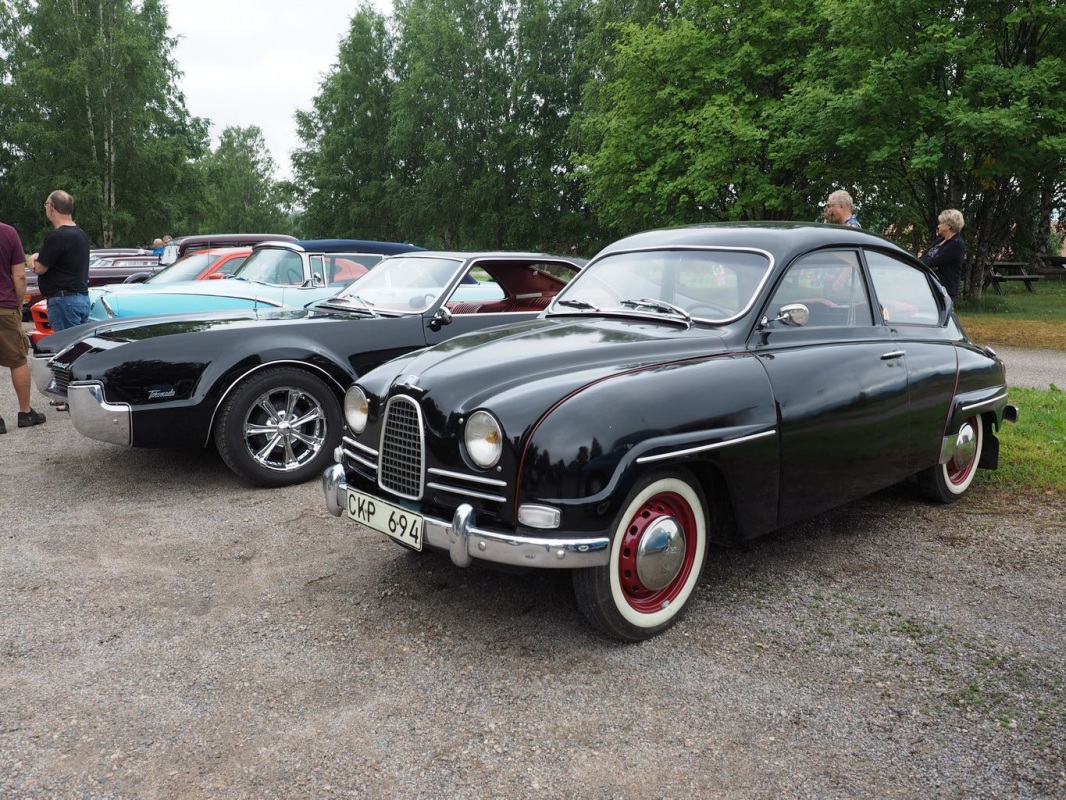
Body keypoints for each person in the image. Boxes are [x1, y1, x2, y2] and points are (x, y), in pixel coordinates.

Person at [0, 218, 46, 433]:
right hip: (5, 307)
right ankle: (25, 413)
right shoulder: (8, 233)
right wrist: (18, 306)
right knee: (18, 360)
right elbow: (19, 276)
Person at [26, 190, 91, 333]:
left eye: (46, 205)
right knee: (78, 342)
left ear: (51, 207)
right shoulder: (81, 234)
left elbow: (40, 268)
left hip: (63, 301)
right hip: (82, 298)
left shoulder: (57, 236)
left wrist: (32, 259)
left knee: (66, 344)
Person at [919, 209, 965, 300]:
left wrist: (927, 261)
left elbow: (934, 261)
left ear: (948, 226)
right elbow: (923, 258)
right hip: (931, 288)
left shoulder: (956, 244)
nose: (938, 225)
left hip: (944, 291)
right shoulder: (940, 241)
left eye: (941, 223)